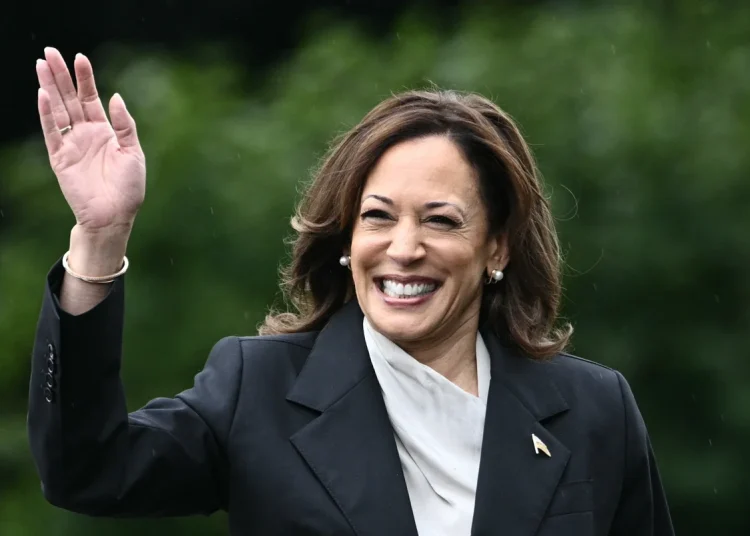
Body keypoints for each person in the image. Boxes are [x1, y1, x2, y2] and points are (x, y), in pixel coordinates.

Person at [27, 46, 675, 536]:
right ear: (346, 237)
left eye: (440, 220)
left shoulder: (594, 410)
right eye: (378, 217)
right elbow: (88, 471)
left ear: (497, 247)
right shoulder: (258, 390)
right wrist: (100, 239)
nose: (403, 247)